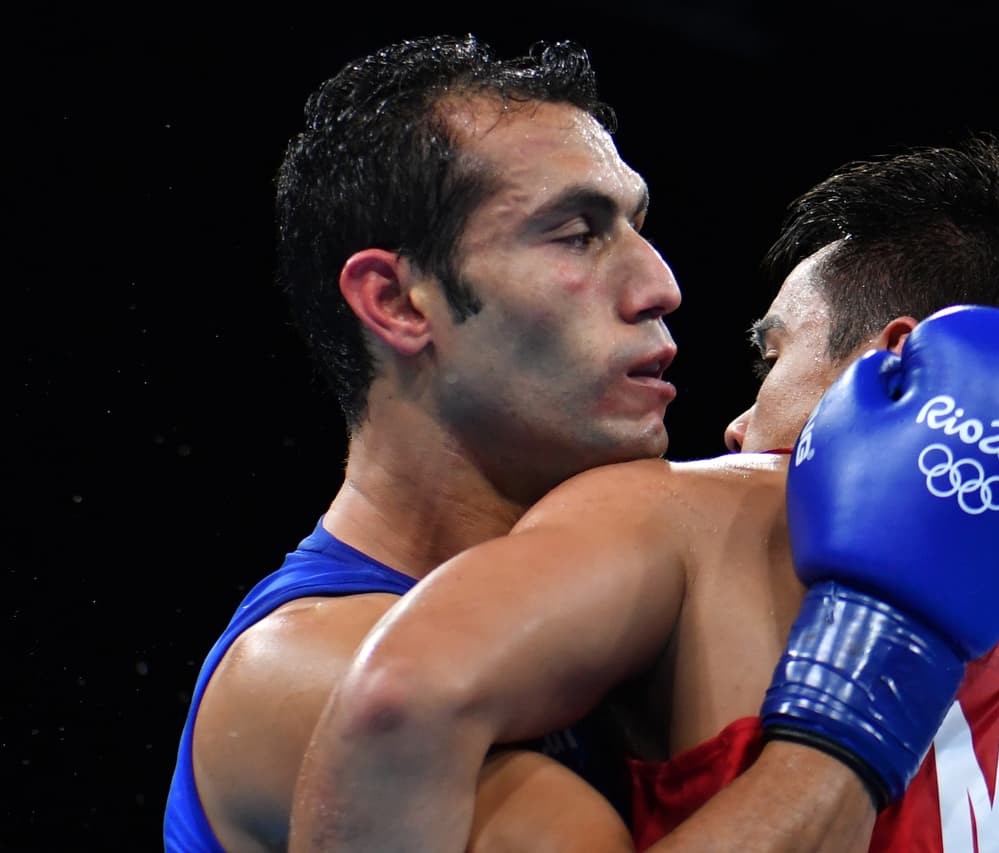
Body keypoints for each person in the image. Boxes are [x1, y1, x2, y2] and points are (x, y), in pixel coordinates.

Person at [290, 137, 999, 852]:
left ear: (895, 368)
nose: (739, 426)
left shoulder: (700, 516)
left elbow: (392, 705)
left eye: (774, 355)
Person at [163, 33, 686, 852]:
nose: (661, 285)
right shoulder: (300, 676)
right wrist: (862, 701)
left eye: (636, 225)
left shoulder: (645, 606)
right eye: (578, 231)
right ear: (398, 303)